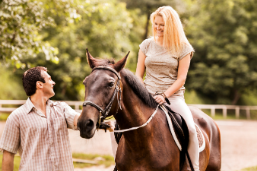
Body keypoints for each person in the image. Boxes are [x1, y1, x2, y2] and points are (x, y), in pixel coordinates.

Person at [135, 6, 199, 171]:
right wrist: (143, 94)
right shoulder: (146, 45)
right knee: (121, 126)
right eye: (156, 24)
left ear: (172, 25)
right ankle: (119, 164)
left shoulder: (183, 48)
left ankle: (193, 167)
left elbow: (182, 78)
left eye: (162, 24)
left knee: (191, 129)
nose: (157, 27)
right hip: (146, 95)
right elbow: (138, 76)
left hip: (173, 97)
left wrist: (164, 95)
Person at [0, 66, 80, 171]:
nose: (53, 82)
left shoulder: (62, 108)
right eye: (50, 79)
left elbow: (80, 121)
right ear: (40, 84)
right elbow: (8, 156)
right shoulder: (16, 117)